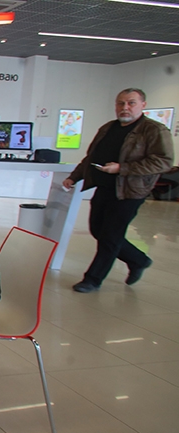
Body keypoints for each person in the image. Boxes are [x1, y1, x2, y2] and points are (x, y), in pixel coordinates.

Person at [62, 88, 174, 293]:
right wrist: (74, 177)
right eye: (120, 103)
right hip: (104, 187)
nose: (125, 107)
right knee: (98, 230)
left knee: (111, 236)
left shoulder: (154, 130)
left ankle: (93, 279)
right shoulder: (108, 128)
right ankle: (138, 260)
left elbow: (163, 162)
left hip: (130, 192)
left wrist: (122, 168)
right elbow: (90, 158)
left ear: (143, 105)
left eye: (131, 103)